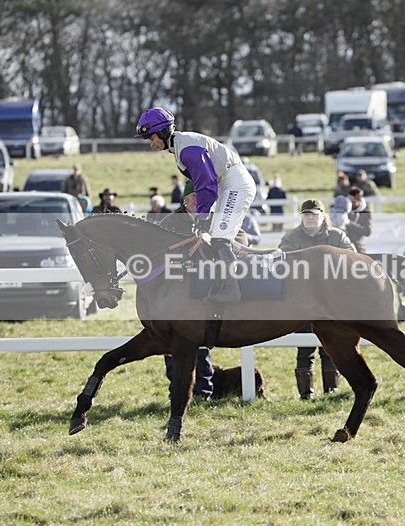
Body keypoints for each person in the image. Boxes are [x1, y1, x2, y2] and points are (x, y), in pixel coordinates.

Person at [135, 106, 256, 303]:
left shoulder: (187, 149)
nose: (151, 143)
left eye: (151, 137)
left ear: (163, 131)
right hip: (229, 182)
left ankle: (232, 289)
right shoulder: (181, 145)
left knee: (220, 238)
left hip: (235, 183)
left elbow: (206, 185)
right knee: (216, 237)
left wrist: (201, 218)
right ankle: (225, 283)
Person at [279, 199, 355, 399]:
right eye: (306, 214)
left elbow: (352, 260)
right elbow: (284, 264)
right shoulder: (291, 237)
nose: (310, 218)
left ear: (323, 215)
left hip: (332, 303)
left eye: (314, 214)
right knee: (305, 348)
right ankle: (306, 394)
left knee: (331, 347)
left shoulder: (337, 236)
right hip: (304, 303)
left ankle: (331, 391)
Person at [160, 178, 214, 400]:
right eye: (195, 198)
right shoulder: (170, 222)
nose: (200, 203)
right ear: (185, 200)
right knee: (173, 342)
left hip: (203, 290)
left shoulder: (211, 219)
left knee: (202, 341)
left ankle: (204, 390)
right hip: (175, 290)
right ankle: (176, 389)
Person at [344, 187, 372, 254]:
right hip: (343, 247)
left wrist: (350, 224)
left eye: (352, 201)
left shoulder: (366, 212)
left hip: (358, 248)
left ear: (358, 199)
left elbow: (367, 231)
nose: (349, 203)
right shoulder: (344, 209)